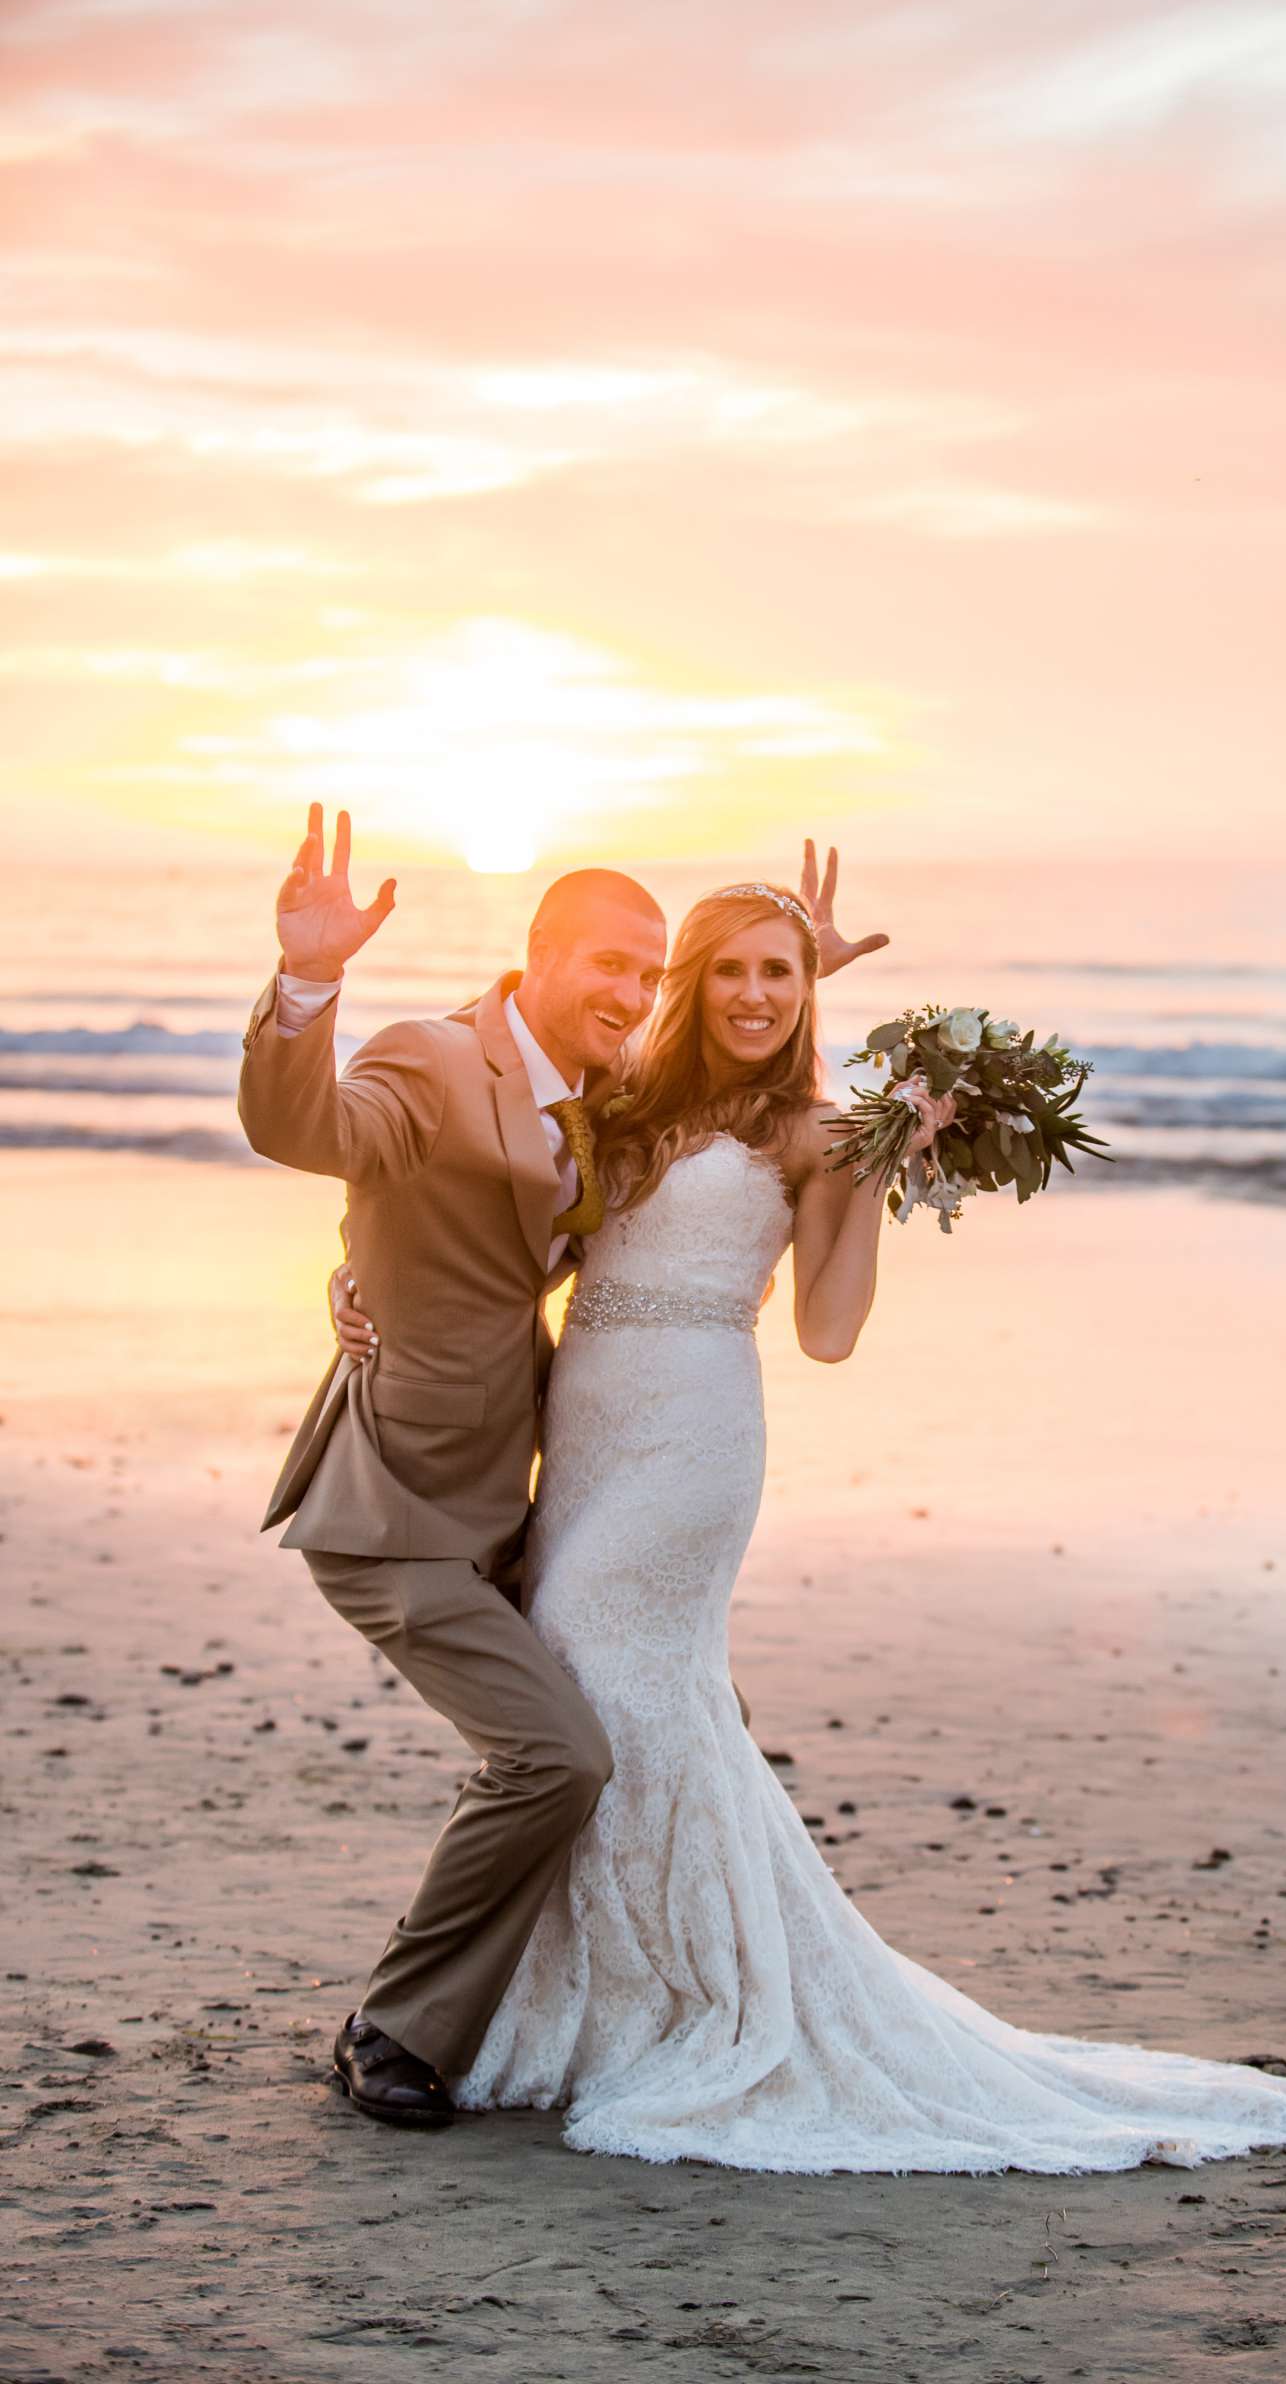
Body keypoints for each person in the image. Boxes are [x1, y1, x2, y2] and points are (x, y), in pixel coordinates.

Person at [331, 877, 1286, 2175]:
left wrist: (876, 1168)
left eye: (784, 976)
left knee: (605, 1683)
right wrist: (359, 1278)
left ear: (807, 999)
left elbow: (827, 1330)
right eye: (736, 971)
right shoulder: (625, 1098)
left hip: (691, 1444)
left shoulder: (819, 1130)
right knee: (618, 1710)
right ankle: (577, 2005)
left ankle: (658, 2002)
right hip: (578, 1423)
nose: (759, 994)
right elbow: (489, 1219)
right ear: (691, 980)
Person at [237, 807, 886, 2130]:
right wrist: (310, 980)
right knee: (563, 1754)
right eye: (614, 966)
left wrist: (781, 982)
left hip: (577, 1477)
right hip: (398, 1503)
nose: (634, 992)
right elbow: (312, 1132)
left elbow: (687, 1140)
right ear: (540, 956)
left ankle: (644, 1996)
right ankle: (396, 2031)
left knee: (645, 1721)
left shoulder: (605, 1101)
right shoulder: (429, 1059)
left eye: (653, 976)